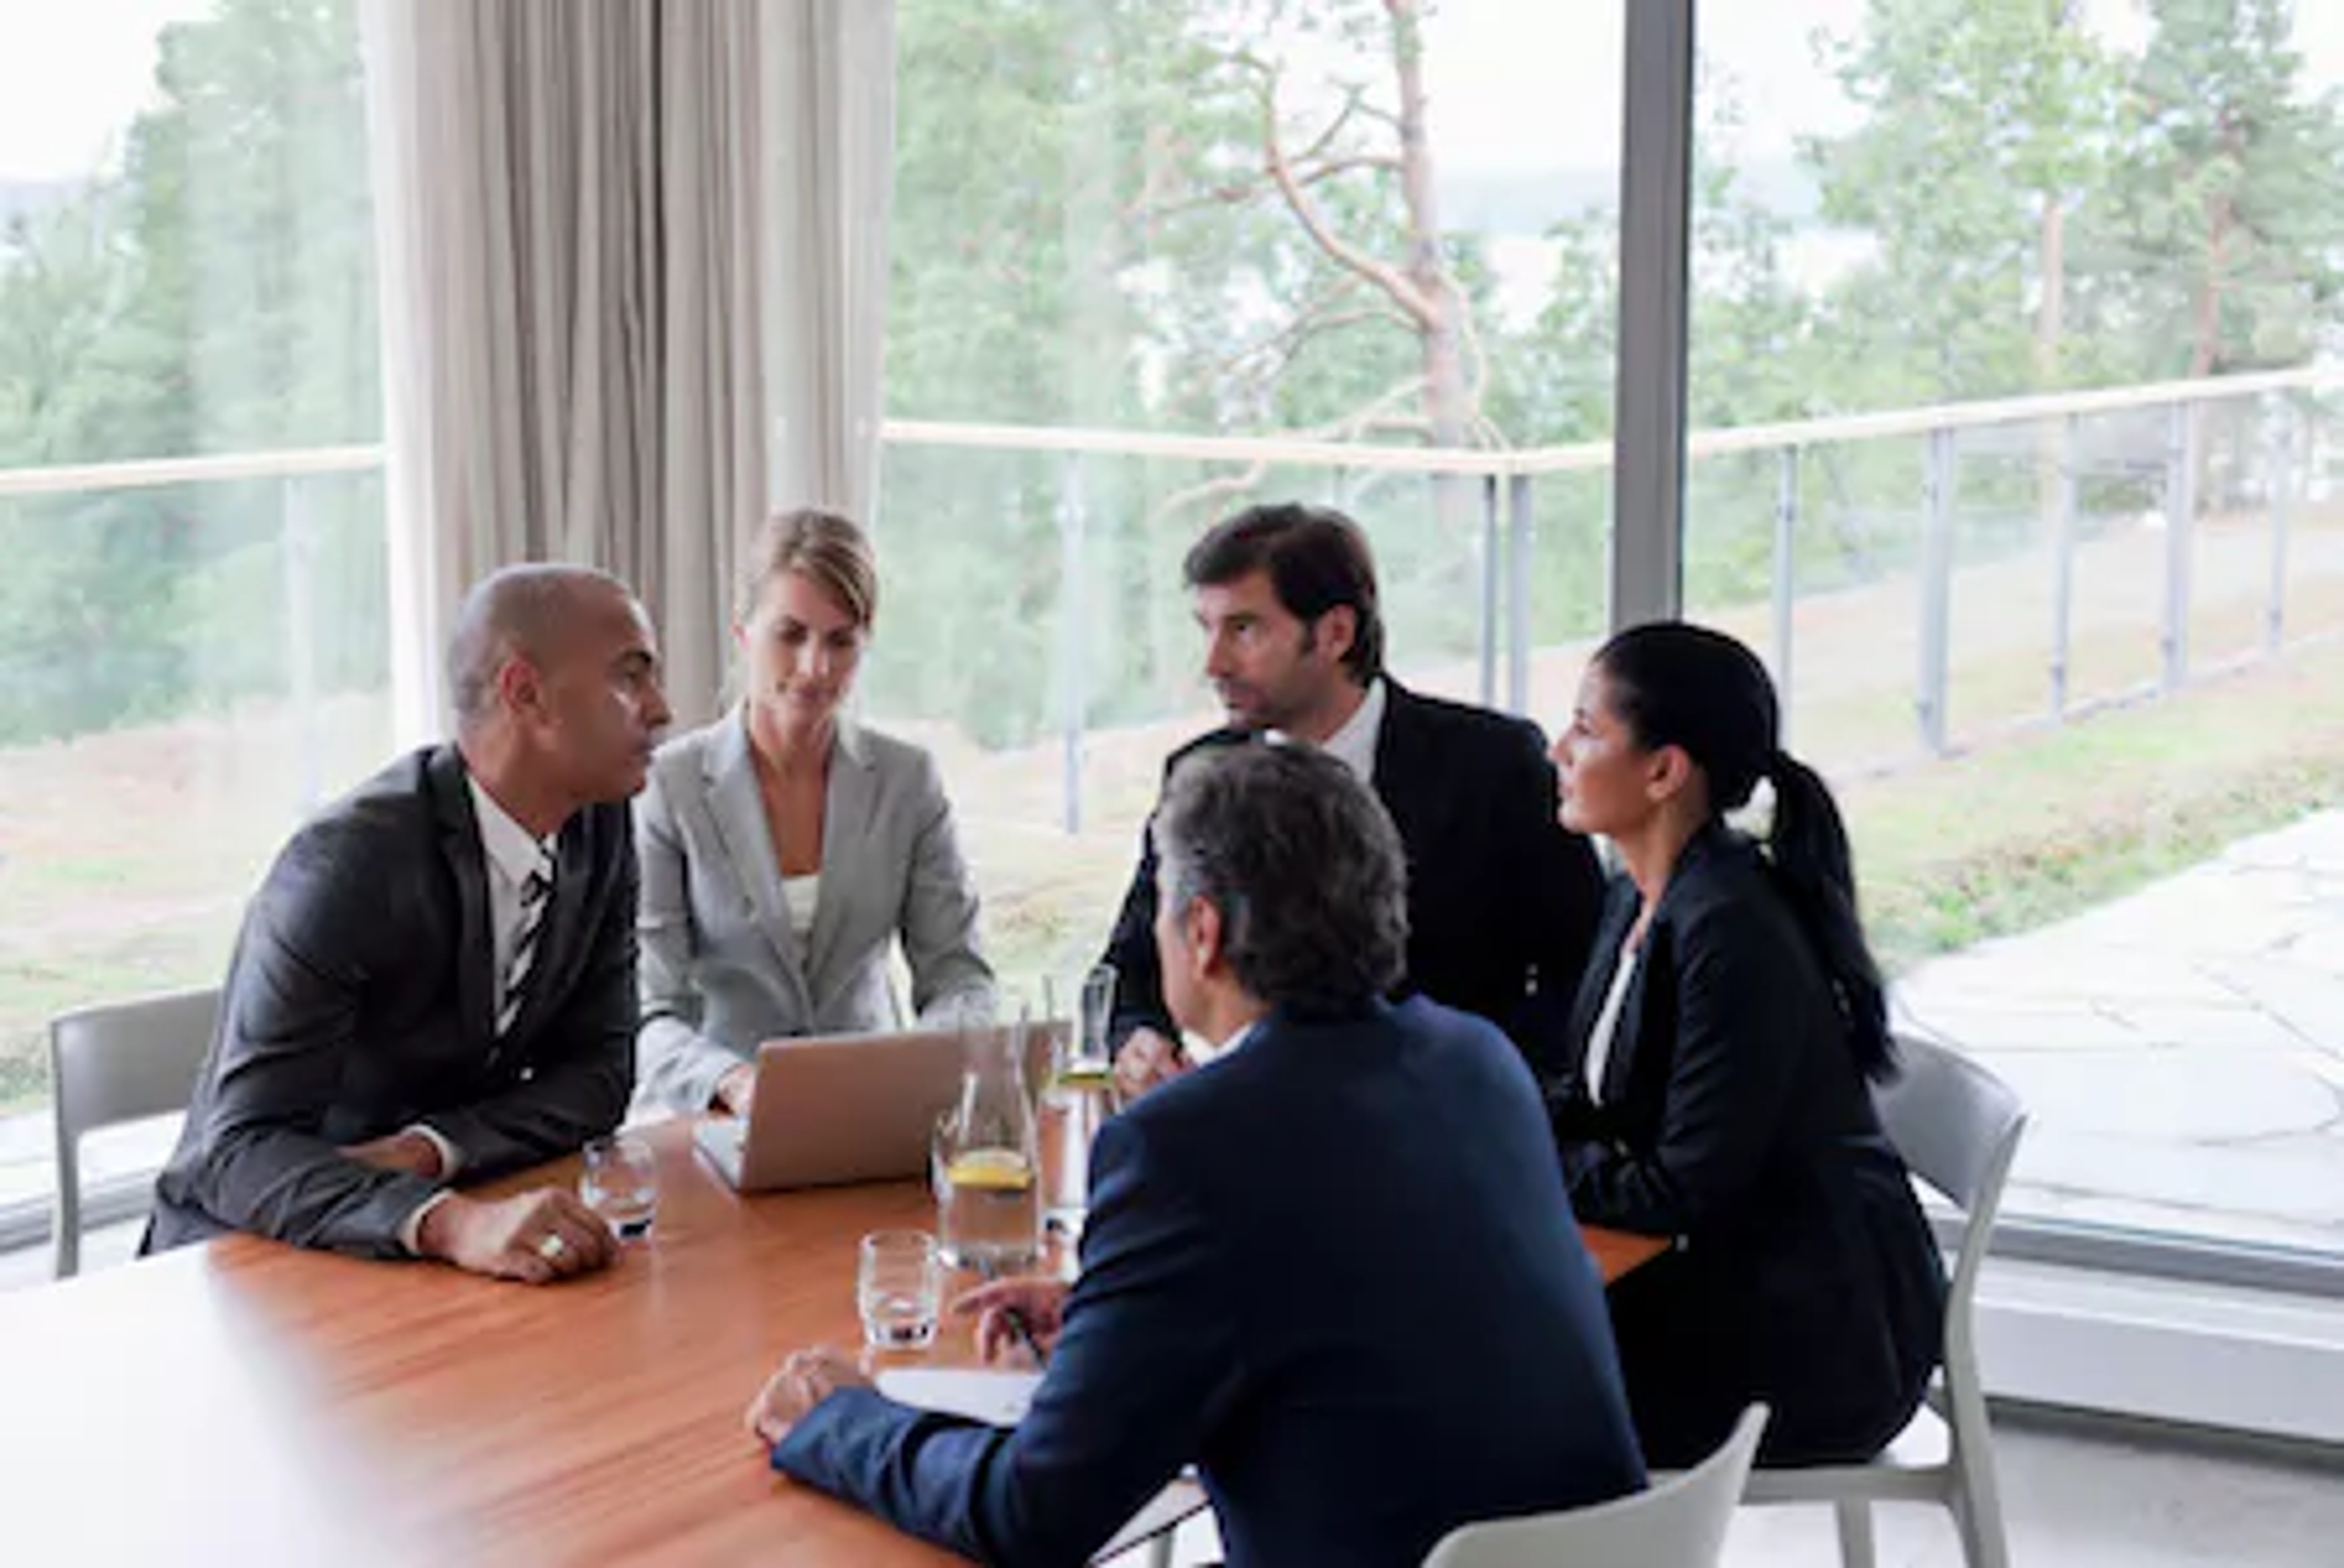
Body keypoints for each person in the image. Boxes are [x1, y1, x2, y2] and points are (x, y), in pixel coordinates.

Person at [746, 744, 1644, 1568]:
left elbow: (1035, 1515)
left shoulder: (1188, 1142)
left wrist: (838, 1421)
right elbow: (1361, 1287)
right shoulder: (1475, 1059)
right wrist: (1125, 1314)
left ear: (1202, 930)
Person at [147, 565, 672, 1282]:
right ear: (526, 694)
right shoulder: (346, 865)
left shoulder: (599, 827)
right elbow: (238, 1151)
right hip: (247, 1260)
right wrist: (450, 1220)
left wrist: (431, 1151)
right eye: (630, 677)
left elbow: (599, 1077)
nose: (661, 708)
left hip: (438, 1248)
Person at [1546, 621, 1947, 1467]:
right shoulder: (1635, 895)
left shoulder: (1733, 931)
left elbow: (1676, 1188)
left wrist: (1528, 1156)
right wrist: (1487, 1126)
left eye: (1586, 728)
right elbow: (1596, 1100)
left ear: (1664, 770)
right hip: (1731, 1277)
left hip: (1813, 1342)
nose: (1558, 748)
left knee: (1490, 1380)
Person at [1104, 501, 1604, 1102]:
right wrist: (1141, 1038)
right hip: (1246, 1122)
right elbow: (1132, 964)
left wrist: (1488, 1086)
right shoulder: (1198, 771)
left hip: (1445, 1127)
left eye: (1244, 628)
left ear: (1336, 633)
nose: (1213, 663)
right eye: (1206, 628)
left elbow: (1582, 969)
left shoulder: (1495, 765)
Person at [633, 508, 994, 1116]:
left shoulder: (908, 781)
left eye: (841, 640)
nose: (815, 667)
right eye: (791, 634)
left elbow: (961, 977)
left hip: (873, 1112)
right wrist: (735, 1082)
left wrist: (920, 1066)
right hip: (715, 1117)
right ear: (744, 633)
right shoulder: (671, 785)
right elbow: (650, 1009)